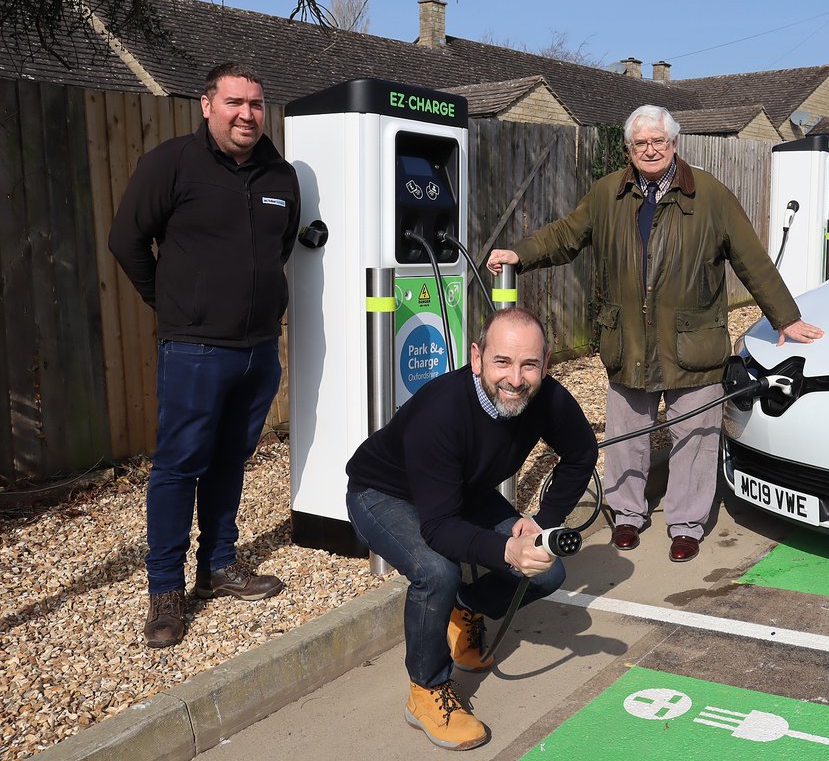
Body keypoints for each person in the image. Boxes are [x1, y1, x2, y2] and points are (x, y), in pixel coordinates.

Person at [488, 105, 823, 563]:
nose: (650, 149)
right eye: (640, 143)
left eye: (658, 142)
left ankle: (685, 524)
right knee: (627, 436)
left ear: (673, 144)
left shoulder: (711, 196)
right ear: (629, 149)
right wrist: (520, 255)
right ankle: (627, 516)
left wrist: (785, 317)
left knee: (695, 437)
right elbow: (566, 235)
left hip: (694, 343)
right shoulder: (608, 194)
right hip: (627, 341)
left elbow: (751, 258)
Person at [345, 307, 598, 751]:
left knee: (548, 571)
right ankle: (426, 690)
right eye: (503, 362)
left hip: (462, 489)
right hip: (384, 493)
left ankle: (463, 610)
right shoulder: (440, 412)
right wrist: (506, 550)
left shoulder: (549, 399)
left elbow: (581, 453)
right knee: (436, 572)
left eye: (529, 364)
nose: (516, 379)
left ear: (547, 362)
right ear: (477, 357)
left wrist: (540, 524)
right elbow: (440, 527)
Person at [109, 62, 301, 649]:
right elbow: (126, 241)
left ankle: (219, 566)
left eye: (257, 103)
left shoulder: (280, 175)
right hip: (194, 349)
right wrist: (173, 307)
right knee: (178, 466)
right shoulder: (172, 164)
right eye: (235, 102)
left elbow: (281, 246)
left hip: (259, 349)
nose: (247, 114)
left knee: (229, 462)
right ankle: (165, 589)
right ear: (206, 105)